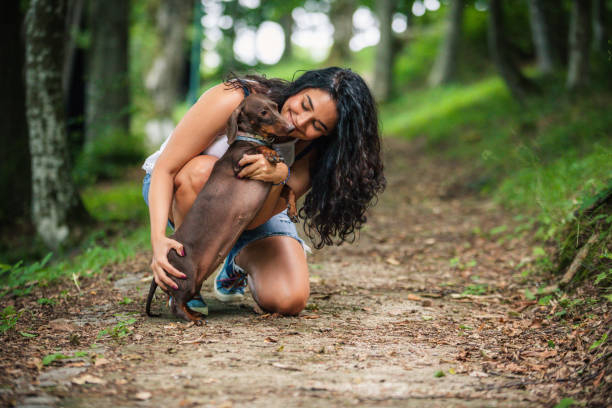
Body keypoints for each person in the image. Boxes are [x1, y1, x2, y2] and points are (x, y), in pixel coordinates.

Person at [141, 67, 385, 316]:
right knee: (203, 172)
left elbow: (254, 220)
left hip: (252, 210)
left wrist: (279, 176)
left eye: (317, 125)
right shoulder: (238, 99)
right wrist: (158, 240)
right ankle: (188, 282)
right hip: (182, 188)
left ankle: (235, 265)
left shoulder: (312, 152)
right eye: (305, 105)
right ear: (300, 87)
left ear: (328, 135)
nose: (300, 121)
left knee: (290, 299)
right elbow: (165, 170)